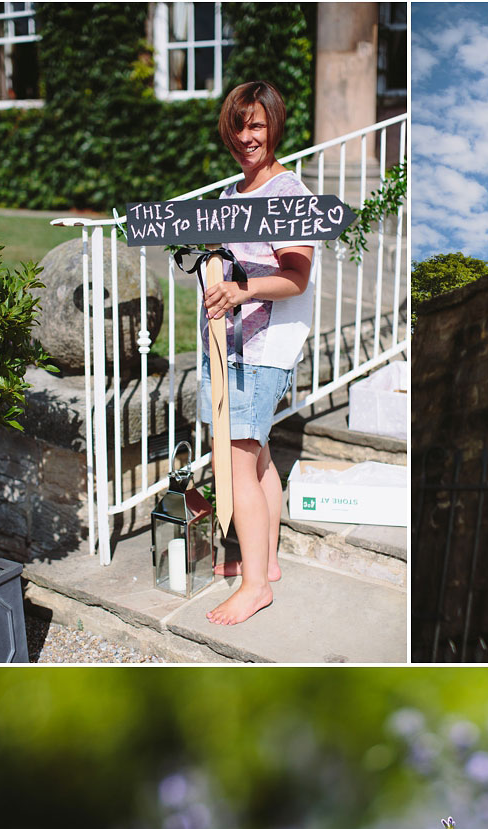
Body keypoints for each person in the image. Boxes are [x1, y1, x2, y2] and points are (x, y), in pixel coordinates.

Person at [195, 81, 316, 626]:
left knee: (238, 458)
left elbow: (296, 278)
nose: (247, 137)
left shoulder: (289, 194)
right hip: (227, 345)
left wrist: (242, 290)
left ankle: (253, 585)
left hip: (264, 348)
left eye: (257, 126)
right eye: (239, 125)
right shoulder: (231, 196)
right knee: (259, 454)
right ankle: (266, 564)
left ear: (274, 129)